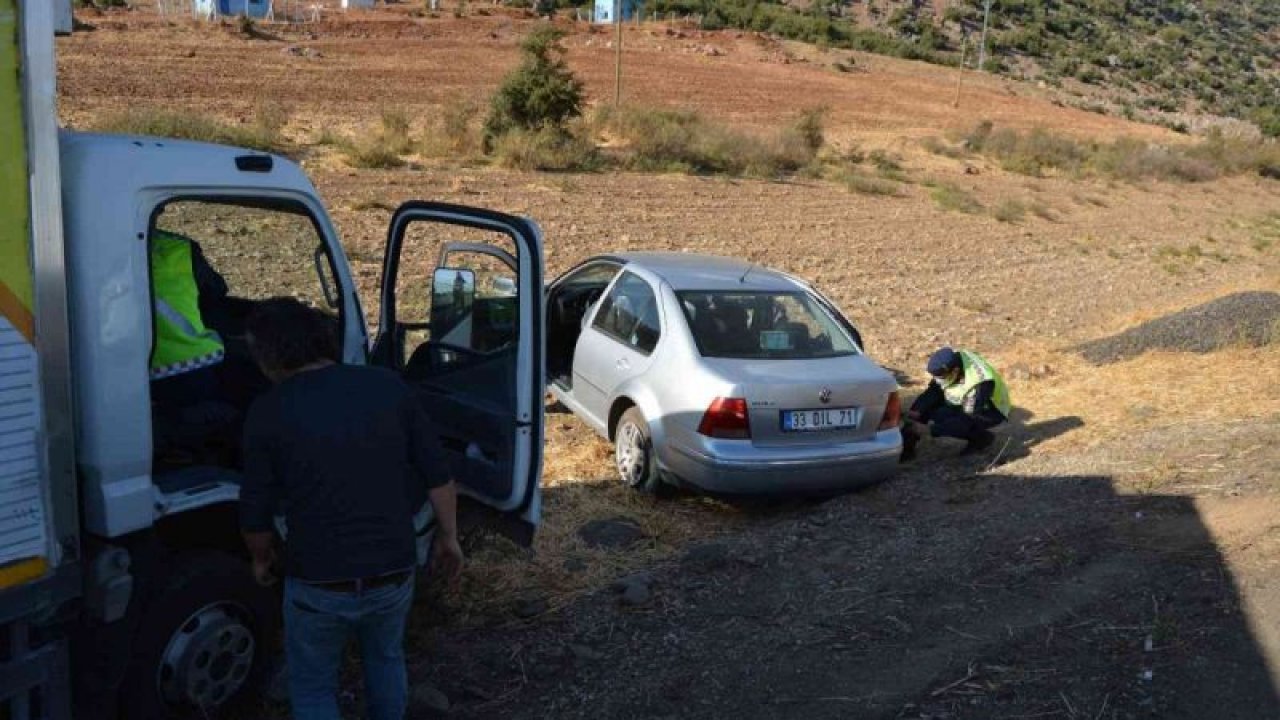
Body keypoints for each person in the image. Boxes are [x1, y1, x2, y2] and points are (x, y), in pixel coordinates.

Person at [238, 298, 465, 720]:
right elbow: (439, 478)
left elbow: (255, 511)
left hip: (317, 581)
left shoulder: (267, 411)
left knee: (313, 685)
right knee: (385, 660)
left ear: (269, 355)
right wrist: (448, 539)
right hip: (393, 570)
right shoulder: (387, 386)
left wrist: (260, 558)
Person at [901, 346, 1011, 461]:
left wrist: (930, 430)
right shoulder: (950, 362)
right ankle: (906, 450)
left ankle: (981, 438)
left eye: (941, 377)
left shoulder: (977, 384)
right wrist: (917, 410)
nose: (938, 380)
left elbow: (965, 420)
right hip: (964, 400)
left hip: (990, 410)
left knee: (944, 417)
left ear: (955, 371)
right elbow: (934, 391)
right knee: (923, 408)